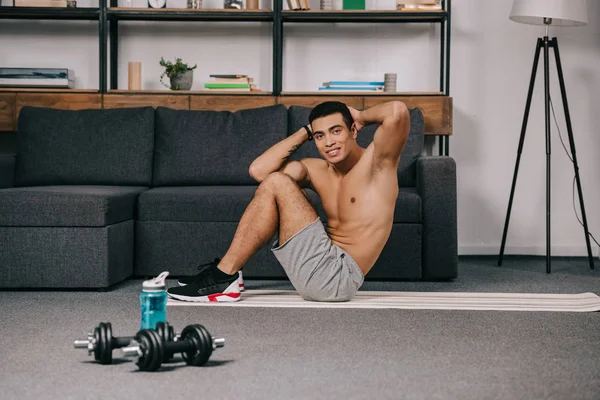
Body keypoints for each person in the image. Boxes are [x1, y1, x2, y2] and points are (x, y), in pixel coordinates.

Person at [167, 100, 410, 302]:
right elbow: (259, 171)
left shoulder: (377, 163)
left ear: (353, 130)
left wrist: (361, 116)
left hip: (338, 278)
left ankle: (223, 277)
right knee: (276, 182)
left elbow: (397, 111)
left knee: (278, 182)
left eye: (336, 131)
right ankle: (227, 274)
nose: (329, 142)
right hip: (316, 263)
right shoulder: (316, 169)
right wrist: (305, 132)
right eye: (319, 136)